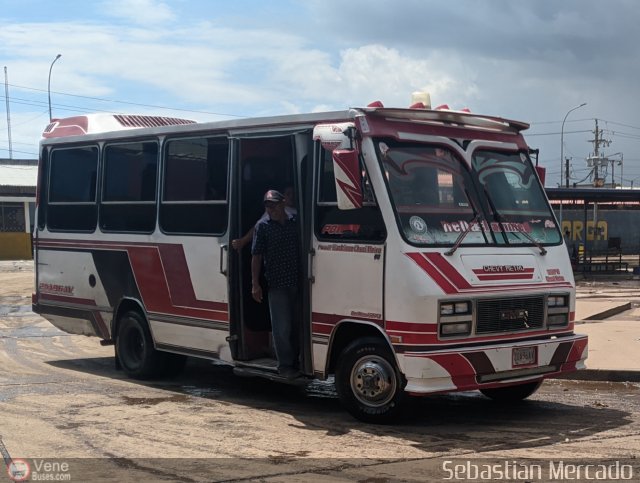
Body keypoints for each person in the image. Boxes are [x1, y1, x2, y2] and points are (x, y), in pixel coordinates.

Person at [251, 189, 301, 379]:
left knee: (296, 325)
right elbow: (256, 256)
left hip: (296, 282)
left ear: (282, 205)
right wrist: (255, 283)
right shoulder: (262, 226)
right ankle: (285, 365)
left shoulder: (294, 223)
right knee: (282, 328)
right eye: (267, 206)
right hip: (276, 284)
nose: (270, 209)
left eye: (273, 205)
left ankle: (296, 361)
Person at [232, 186, 296, 251]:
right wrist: (243, 241)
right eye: (288, 194)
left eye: (293, 194)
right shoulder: (275, 210)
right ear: (283, 197)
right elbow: (257, 227)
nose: (292, 196)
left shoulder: (298, 210)